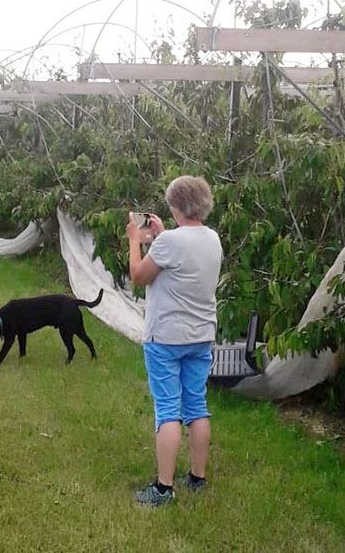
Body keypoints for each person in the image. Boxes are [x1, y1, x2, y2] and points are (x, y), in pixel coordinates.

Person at [126, 175, 222, 507]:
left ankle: (163, 489)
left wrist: (134, 240)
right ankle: (197, 477)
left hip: (166, 337)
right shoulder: (212, 238)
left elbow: (139, 276)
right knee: (196, 406)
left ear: (175, 205)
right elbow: (183, 253)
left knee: (167, 410)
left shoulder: (169, 243)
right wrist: (164, 233)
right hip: (201, 336)